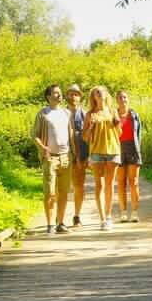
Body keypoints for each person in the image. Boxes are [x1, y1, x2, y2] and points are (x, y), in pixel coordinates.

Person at [32, 84, 74, 234]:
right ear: (48, 96)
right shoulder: (43, 114)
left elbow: (71, 135)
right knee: (50, 192)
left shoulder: (66, 113)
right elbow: (35, 135)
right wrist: (43, 148)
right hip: (50, 158)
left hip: (66, 157)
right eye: (56, 93)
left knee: (64, 192)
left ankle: (61, 223)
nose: (59, 95)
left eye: (60, 93)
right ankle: (50, 224)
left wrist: (75, 154)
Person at [81, 85, 120, 229]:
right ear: (93, 97)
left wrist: (117, 123)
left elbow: (119, 133)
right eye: (97, 92)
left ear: (106, 95)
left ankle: (109, 216)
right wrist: (90, 127)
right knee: (100, 185)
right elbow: (85, 137)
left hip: (113, 150)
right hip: (96, 151)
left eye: (102, 91)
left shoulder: (112, 111)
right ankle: (102, 219)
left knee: (110, 185)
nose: (100, 93)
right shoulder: (90, 114)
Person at [115, 89, 144, 222]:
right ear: (117, 100)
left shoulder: (134, 115)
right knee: (121, 182)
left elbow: (139, 134)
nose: (123, 99)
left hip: (132, 148)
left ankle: (135, 212)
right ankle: (123, 212)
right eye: (120, 97)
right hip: (118, 149)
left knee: (134, 182)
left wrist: (138, 149)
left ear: (128, 99)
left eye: (125, 97)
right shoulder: (113, 115)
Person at [66, 84, 89, 227]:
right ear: (66, 96)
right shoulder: (61, 113)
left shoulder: (85, 115)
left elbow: (90, 137)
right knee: (61, 187)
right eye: (70, 94)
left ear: (80, 97)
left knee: (79, 186)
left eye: (76, 94)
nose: (73, 96)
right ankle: (59, 216)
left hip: (80, 156)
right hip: (64, 155)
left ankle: (77, 215)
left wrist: (87, 157)